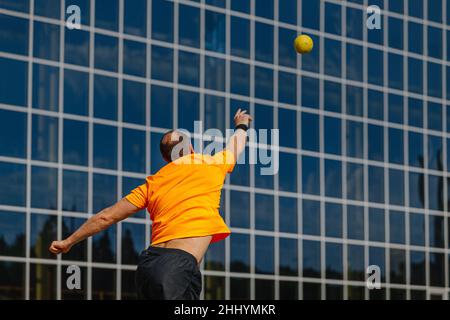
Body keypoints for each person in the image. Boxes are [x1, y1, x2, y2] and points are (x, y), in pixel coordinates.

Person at [49, 109, 253, 300]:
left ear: (166, 158)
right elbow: (236, 145)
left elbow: (106, 216)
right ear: (191, 149)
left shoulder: (152, 183)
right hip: (176, 268)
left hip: (148, 266)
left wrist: (68, 241)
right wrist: (241, 125)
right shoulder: (210, 164)